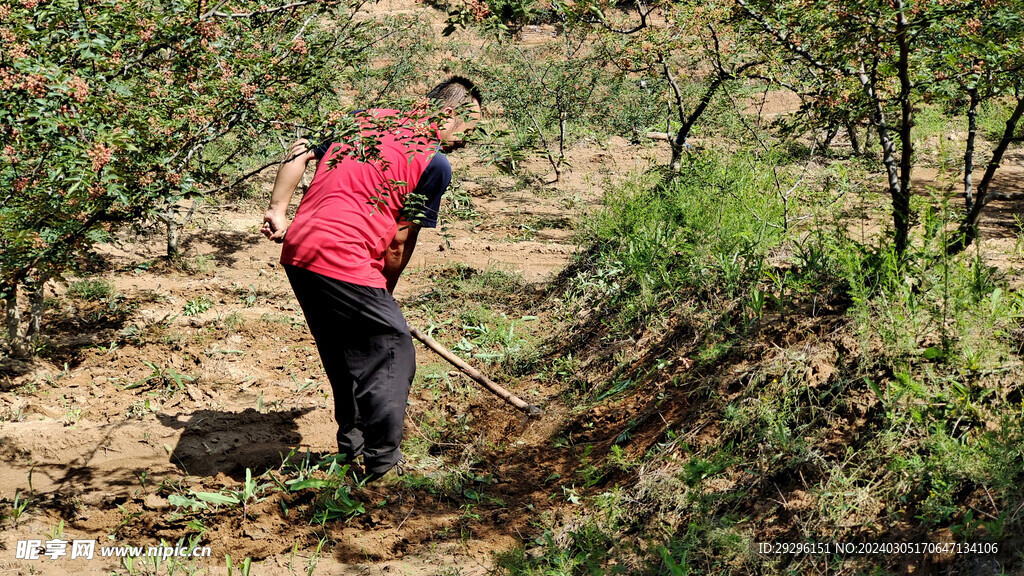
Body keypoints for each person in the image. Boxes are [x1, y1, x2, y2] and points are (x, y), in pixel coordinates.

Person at [261, 77, 482, 482]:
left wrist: (278, 209)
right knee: (392, 346)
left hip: (299, 250)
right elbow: (399, 240)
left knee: (344, 349)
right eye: (469, 127)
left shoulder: (361, 122)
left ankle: (354, 448)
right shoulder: (434, 163)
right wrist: (384, 292)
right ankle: (383, 465)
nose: (467, 139)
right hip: (343, 256)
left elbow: (298, 150)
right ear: (448, 115)